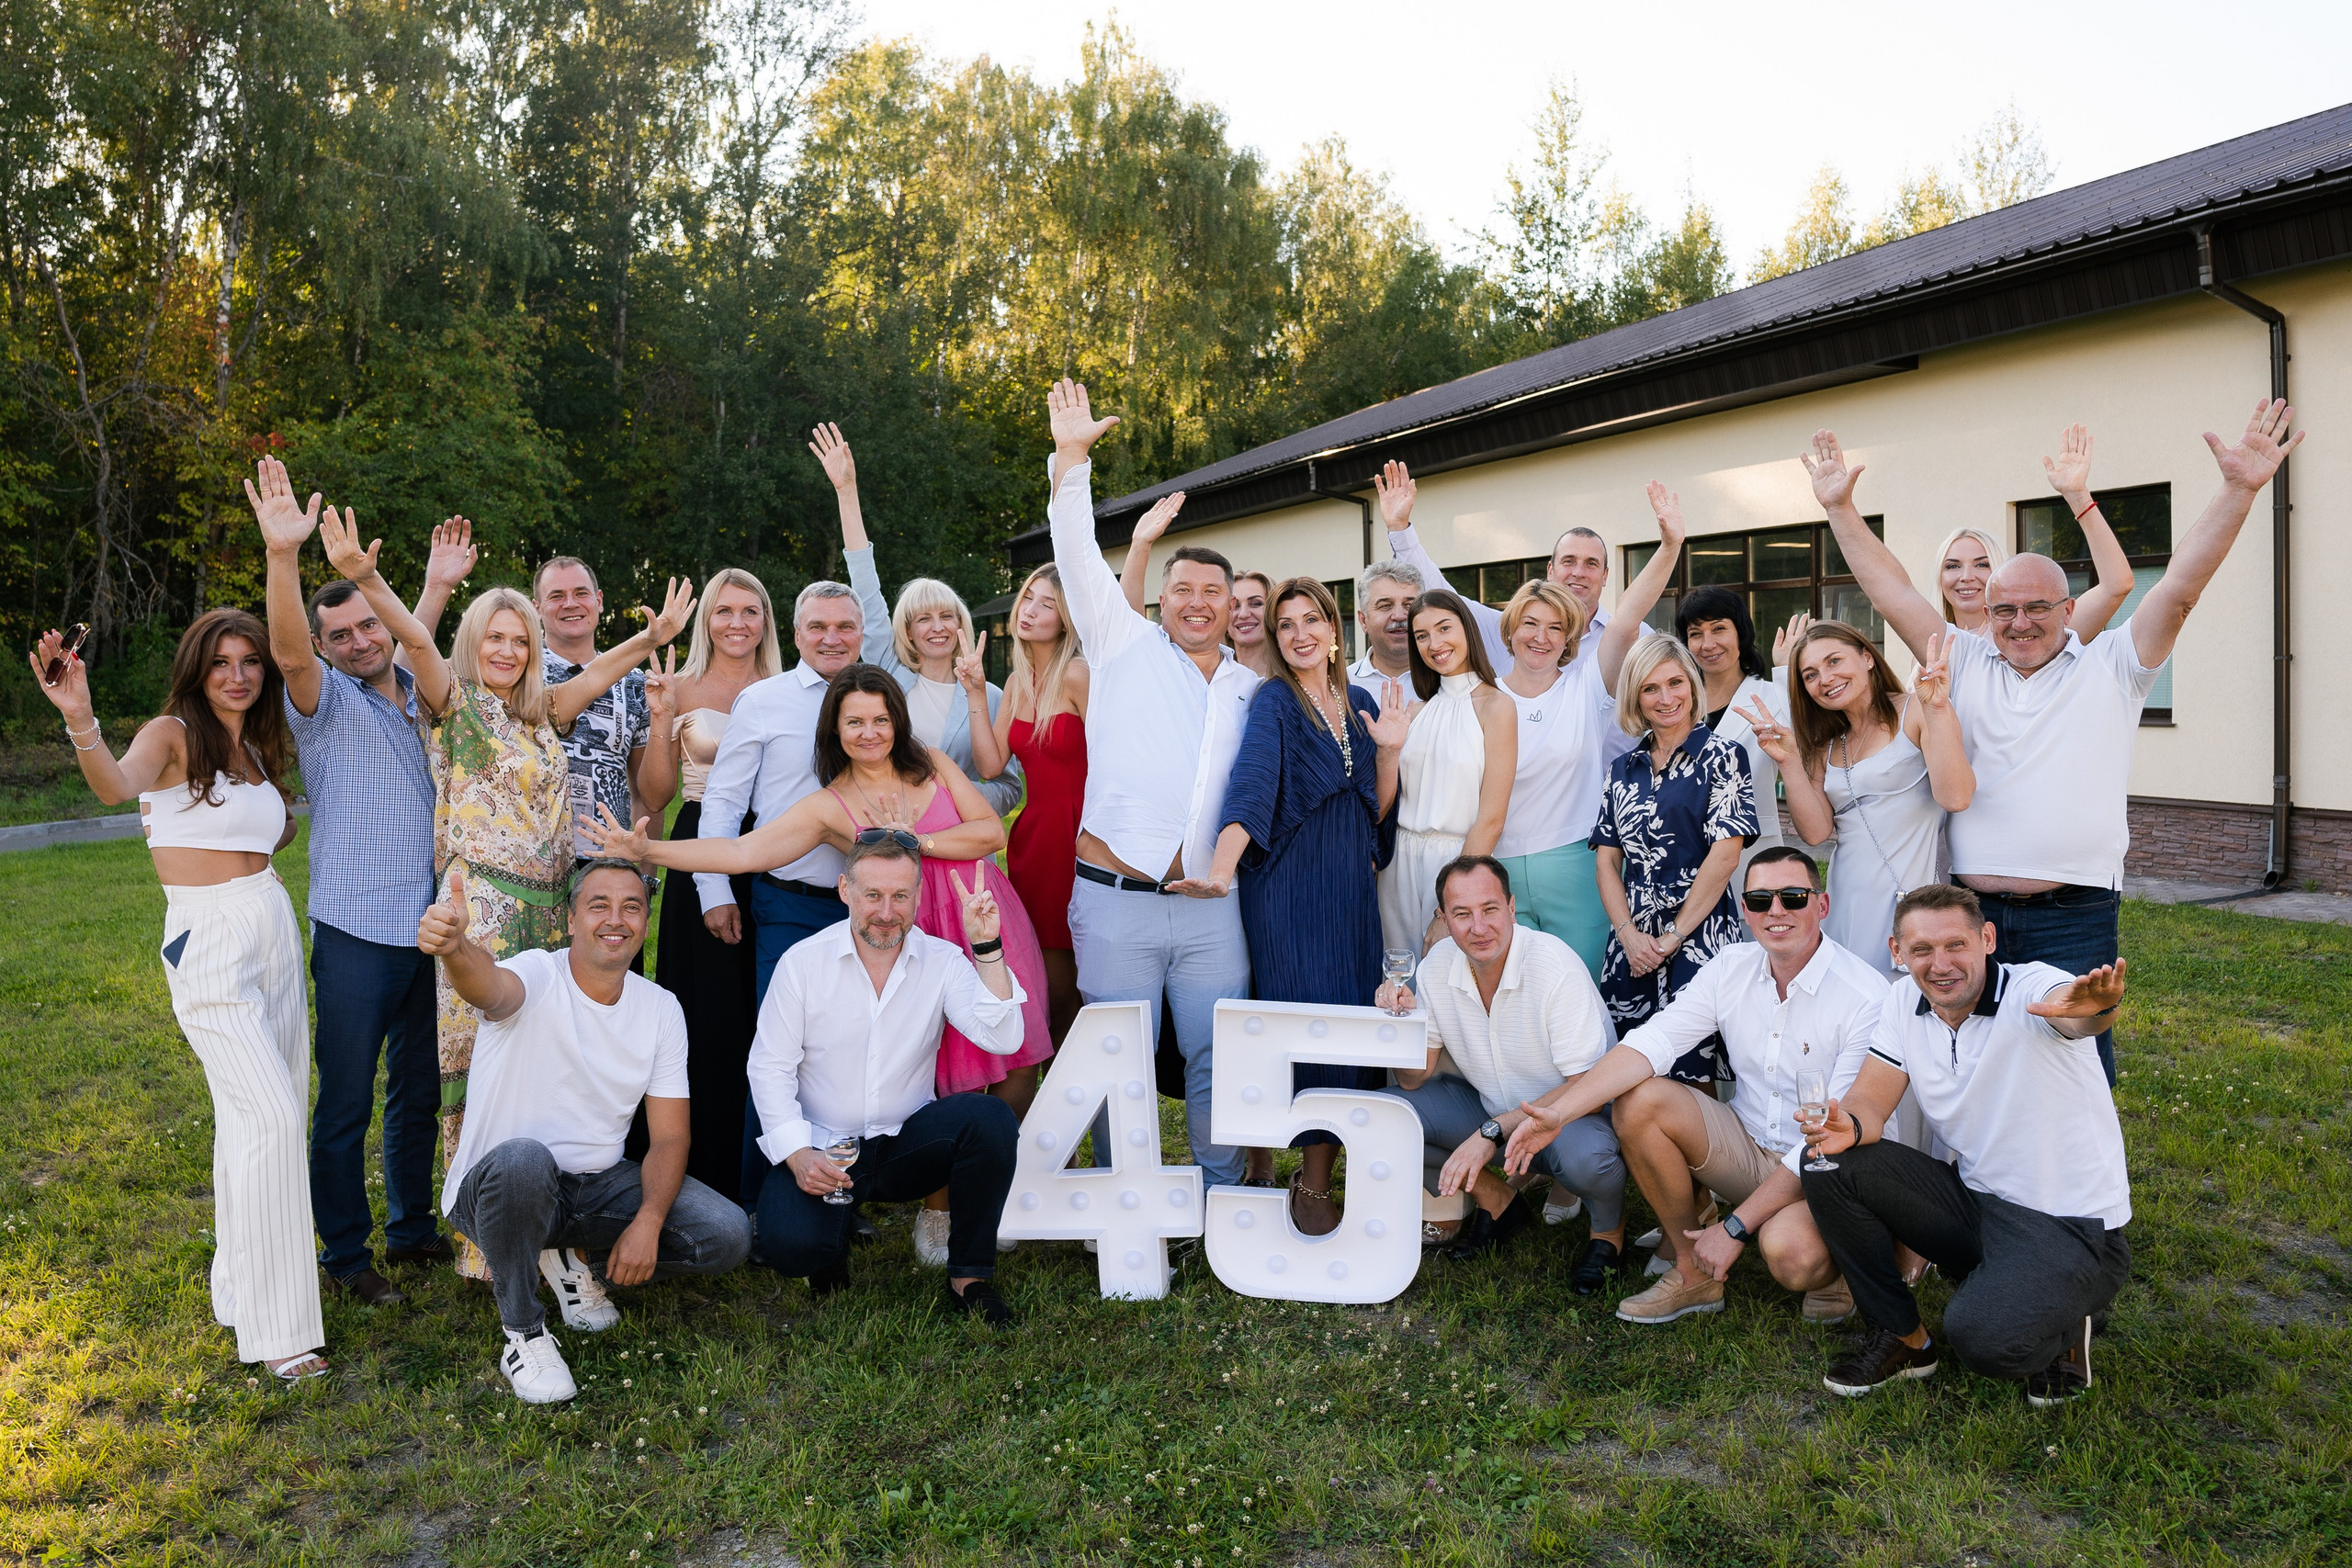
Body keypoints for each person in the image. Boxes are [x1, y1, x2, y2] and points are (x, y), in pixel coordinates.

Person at [1804, 401, 2303, 1082]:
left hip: (2076, 913)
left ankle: (2074, 1189)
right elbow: (1890, 588)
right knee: (1974, 1066)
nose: (2019, 621)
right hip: (1972, 916)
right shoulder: (1965, 662)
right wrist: (1840, 510)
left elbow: (2180, 587)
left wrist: (2239, 490)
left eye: (2038, 606)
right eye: (2004, 608)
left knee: (2074, 1069)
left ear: (2070, 611)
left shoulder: (2114, 666)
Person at [586, 666, 1053, 1233]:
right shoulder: (830, 806)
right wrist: (651, 850)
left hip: (980, 914)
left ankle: (977, 1185)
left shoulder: (931, 761)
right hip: (906, 928)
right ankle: (938, 1212)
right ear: (834, 729)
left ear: (897, 721)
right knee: (943, 1072)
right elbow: (742, 852)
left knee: (1017, 1060)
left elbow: (989, 831)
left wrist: (914, 842)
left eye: (880, 719)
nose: (869, 731)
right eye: (854, 721)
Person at [312, 510, 693, 1185]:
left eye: (520, 640)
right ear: (475, 642)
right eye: (496, 638)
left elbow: (599, 671)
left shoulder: (542, 713)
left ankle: (540, 1210)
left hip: (548, 913)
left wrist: (652, 637)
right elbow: (413, 640)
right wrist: (367, 579)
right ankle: (478, 1229)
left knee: (535, 1064)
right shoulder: (453, 702)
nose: (509, 652)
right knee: (477, 1060)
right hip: (482, 908)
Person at [30, 611, 322, 1380]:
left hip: (271, 924)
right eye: (221, 661)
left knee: (263, 1111)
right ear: (197, 667)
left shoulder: (258, 745)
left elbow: (269, 833)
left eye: (250, 661)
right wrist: (81, 718)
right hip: (209, 938)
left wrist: (261, 834)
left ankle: (236, 1282)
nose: (237, 674)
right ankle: (278, 1329)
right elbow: (114, 785)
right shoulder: (168, 734)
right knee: (270, 1114)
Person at [247, 458, 469, 1305]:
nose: (358, 641)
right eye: (340, 635)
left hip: (433, 932)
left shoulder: (425, 686)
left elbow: (409, 632)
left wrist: (434, 588)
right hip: (355, 933)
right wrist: (283, 557)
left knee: (418, 1089)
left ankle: (412, 1228)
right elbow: (290, 649)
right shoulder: (324, 702)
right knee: (345, 1103)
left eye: (365, 627)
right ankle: (345, 1252)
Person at [1506, 847, 1886, 1326]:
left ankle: (1841, 1266)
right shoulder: (1732, 966)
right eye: (1760, 899)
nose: (1777, 911)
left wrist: (1735, 1226)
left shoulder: (1867, 996)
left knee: (1791, 1258)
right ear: (1745, 911)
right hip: (1750, 1147)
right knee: (1640, 1099)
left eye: (1793, 897)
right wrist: (1560, 1114)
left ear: (1822, 905)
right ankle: (1693, 1274)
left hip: (1826, 1168)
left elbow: (1836, 1133)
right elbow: (1651, 1043)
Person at [420, 859, 752, 1404]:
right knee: (526, 1160)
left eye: (631, 907)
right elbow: (491, 988)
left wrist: (648, 1221)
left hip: (595, 1187)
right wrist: (456, 949)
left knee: (727, 1233)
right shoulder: (536, 972)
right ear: (571, 919)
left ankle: (576, 1261)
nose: (615, 920)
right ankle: (523, 1332)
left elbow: (670, 1137)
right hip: (499, 1187)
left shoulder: (661, 1009)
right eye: (598, 906)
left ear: (646, 922)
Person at [1044, 378, 1260, 1190]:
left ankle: (1219, 1194)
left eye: (1216, 593)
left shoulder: (1250, 691)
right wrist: (1072, 463)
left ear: (1234, 606)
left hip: (1211, 912)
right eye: (1185, 590)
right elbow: (1074, 555)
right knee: (1114, 1058)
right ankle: (1122, 1198)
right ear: (1162, 598)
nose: (1199, 604)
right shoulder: (1121, 647)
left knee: (1215, 1054)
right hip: (1116, 899)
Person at [1799, 885, 2132, 1405]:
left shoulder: (2032, 989)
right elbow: (1870, 1098)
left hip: (2069, 1224)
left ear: (1987, 939)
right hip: (1979, 1203)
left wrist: (2096, 1008)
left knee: (1984, 1342)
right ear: (1897, 953)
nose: (1941, 964)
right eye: (1922, 950)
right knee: (1826, 1162)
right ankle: (1901, 1337)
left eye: (1956, 945)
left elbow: (2075, 1014)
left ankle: (2072, 1319)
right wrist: (1851, 1128)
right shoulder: (1904, 998)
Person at [1174, 578, 1406, 1234]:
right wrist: (1222, 871)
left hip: (1352, 893)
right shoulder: (1275, 701)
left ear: (1336, 629)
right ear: (1275, 638)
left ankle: (1340, 1164)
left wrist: (1387, 751)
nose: (1300, 632)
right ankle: (1310, 1178)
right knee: (1311, 1028)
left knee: (1354, 1024)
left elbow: (1377, 814)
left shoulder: (1359, 700)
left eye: (1312, 619)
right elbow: (1249, 789)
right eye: (1286, 624)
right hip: (1290, 891)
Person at [743, 837, 1026, 1324]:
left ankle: (969, 1277)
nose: (887, 911)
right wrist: (797, 1154)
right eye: (873, 895)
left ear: (918, 896)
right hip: (826, 1151)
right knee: (791, 1248)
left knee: (990, 1119)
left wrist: (986, 946)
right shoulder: (802, 964)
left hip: (906, 1146)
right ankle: (828, 1252)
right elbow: (769, 1068)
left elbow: (1003, 1037)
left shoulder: (942, 960)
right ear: (845, 890)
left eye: (901, 896)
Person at [1379, 857, 1627, 1289]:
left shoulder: (1553, 966)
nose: (1478, 927)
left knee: (1590, 1161)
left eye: (1489, 909)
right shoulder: (1437, 966)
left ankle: (1607, 1234)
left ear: (1512, 907)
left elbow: (1583, 1086)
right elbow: (1412, 1079)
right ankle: (1499, 1202)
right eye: (1462, 914)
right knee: (1386, 1118)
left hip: (1572, 1118)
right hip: (1490, 1111)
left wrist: (1490, 1132)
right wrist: (1399, 1023)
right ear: (1443, 919)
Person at [626, 568, 783, 1199]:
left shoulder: (787, 688)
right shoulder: (679, 684)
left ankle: (767, 1167)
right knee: (708, 1010)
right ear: (707, 620)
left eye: (751, 610)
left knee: (766, 1008)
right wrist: (662, 715)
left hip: (772, 844)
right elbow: (656, 792)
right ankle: (704, 1170)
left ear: (766, 620)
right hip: (698, 843)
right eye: (724, 610)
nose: (737, 622)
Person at [1489, 485, 1686, 978]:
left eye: (1556, 628)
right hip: (1500, 869)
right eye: (1530, 624)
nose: (1541, 637)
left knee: (1583, 995)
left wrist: (1668, 547)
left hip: (1576, 863)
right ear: (1510, 629)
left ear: (1570, 636)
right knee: (1516, 998)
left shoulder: (1587, 689)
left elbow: (1626, 621)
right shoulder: (1483, 698)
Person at [815, 423, 1024, 816]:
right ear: (907, 631)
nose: (938, 627)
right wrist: (846, 492)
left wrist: (945, 799)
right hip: (890, 838)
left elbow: (1008, 787)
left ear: (960, 623)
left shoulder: (991, 697)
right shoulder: (887, 669)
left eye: (947, 616)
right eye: (923, 618)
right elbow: (864, 579)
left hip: (963, 844)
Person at [1747, 622, 1973, 972]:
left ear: (1868, 657)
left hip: (1908, 892)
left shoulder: (1917, 710)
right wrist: (1790, 762)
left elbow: (1956, 797)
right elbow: (1816, 833)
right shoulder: (1827, 743)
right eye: (1810, 674)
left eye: (1834, 661)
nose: (1824, 678)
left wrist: (1938, 710)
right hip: (1847, 891)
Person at [1590, 633, 1758, 1078]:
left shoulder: (1724, 757)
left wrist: (1673, 938)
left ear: (1692, 686)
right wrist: (1628, 935)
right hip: (1632, 942)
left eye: (1675, 683)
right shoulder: (1621, 770)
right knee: (1629, 1073)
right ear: (1636, 698)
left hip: (1698, 936)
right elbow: (1607, 862)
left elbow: (1725, 857)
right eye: (1650, 688)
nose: (1666, 698)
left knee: (1692, 1079)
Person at [964, 562, 1091, 1047]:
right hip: (1034, 841)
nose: (1030, 610)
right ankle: (1054, 1079)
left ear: (1068, 619)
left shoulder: (1079, 675)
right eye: (1029, 598)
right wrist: (976, 691)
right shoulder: (1017, 683)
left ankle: (1078, 1086)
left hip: (1080, 836)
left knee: (1072, 982)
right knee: (1043, 973)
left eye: (1048, 604)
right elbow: (992, 765)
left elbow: (1114, 762)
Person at [1374, 458, 1619, 683]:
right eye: (1568, 561)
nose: (1578, 572)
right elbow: (1440, 592)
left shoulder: (1629, 636)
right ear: (1550, 571)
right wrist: (1399, 529)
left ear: (1605, 575)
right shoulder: (1505, 630)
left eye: (1591, 563)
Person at [1379, 588, 1514, 956]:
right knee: (1401, 983)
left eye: (1443, 628)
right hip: (1398, 867)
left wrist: (1450, 904)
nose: (1433, 643)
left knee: (1451, 982)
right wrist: (1387, 751)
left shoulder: (1497, 706)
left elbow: (1492, 819)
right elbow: (1385, 803)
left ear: (1466, 629)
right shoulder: (1417, 711)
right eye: (1421, 636)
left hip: (1459, 863)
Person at [1934, 424, 2133, 639]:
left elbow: (2117, 585)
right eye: (1953, 566)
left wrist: (2078, 496)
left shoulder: (2033, 632)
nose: (1966, 577)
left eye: (1982, 564)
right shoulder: (1930, 645)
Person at [534, 556, 659, 897]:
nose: (570, 603)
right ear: (537, 607)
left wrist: (645, 877)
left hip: (608, 862)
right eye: (556, 595)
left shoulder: (636, 684)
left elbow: (647, 797)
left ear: (599, 601)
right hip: (527, 859)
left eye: (581, 593)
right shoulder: (513, 672)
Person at [1676, 582, 1790, 876]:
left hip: (1753, 861)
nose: (1708, 643)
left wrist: (1788, 671)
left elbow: (1803, 745)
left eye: (1718, 629)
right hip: (1684, 861)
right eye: (1695, 634)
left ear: (1741, 632)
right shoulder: (1675, 702)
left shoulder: (1774, 696)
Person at [1347, 558, 1424, 711]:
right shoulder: (1343, 684)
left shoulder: (1446, 679)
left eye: (1409, 605)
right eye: (1385, 606)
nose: (1399, 615)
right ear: (1363, 620)